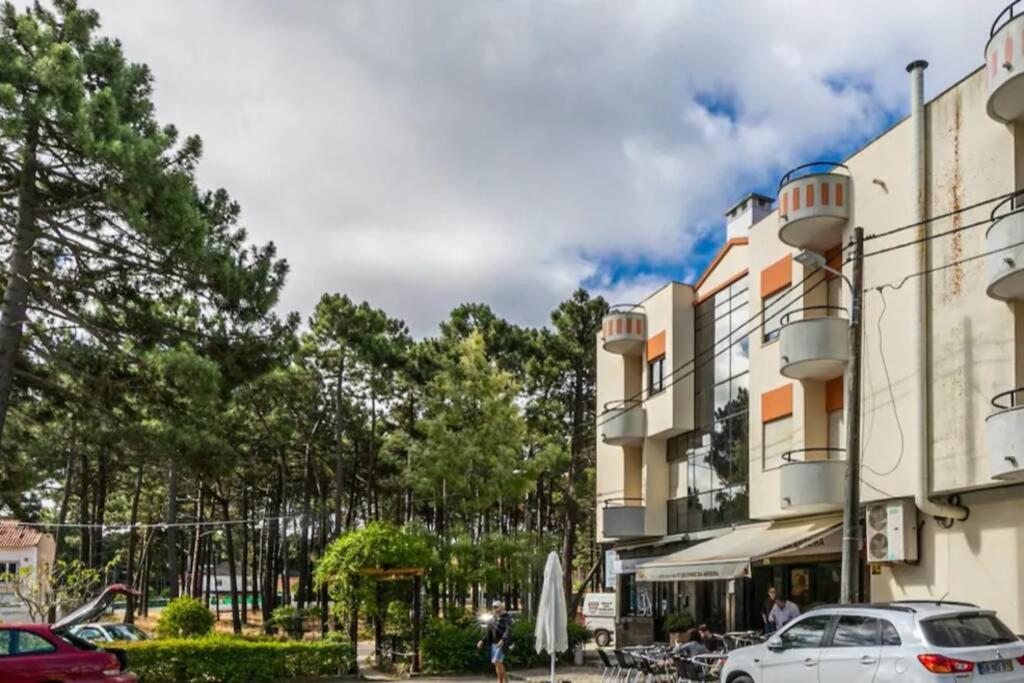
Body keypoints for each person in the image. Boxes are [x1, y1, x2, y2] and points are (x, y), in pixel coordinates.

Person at [477, 601, 512, 683]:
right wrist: (482, 640)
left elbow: (508, 630)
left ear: (502, 607)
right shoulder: (493, 618)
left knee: (497, 660)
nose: (495, 609)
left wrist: (503, 640)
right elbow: (488, 632)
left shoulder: (506, 617)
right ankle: (500, 681)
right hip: (494, 643)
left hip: (501, 643)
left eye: (497, 607)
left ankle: (506, 680)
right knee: (496, 663)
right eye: (494, 607)